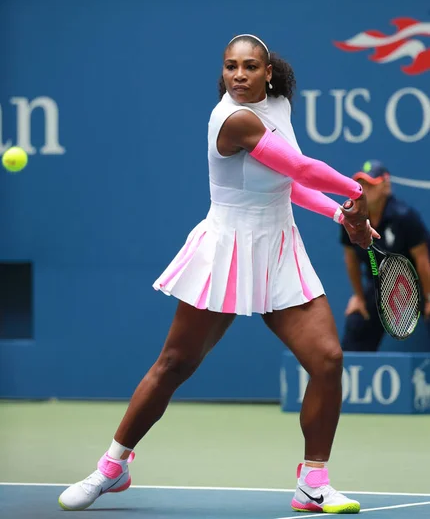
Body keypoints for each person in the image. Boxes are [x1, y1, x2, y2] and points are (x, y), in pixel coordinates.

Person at [58, 34, 376, 514]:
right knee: (175, 364)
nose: (240, 75)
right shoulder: (234, 119)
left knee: (328, 360)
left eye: (250, 66)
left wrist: (340, 216)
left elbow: (286, 184)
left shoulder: (278, 105)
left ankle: (313, 481)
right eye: (231, 67)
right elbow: (303, 168)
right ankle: (113, 465)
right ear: (223, 74)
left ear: (269, 72)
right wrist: (357, 193)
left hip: (280, 248)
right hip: (228, 248)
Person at [341, 160, 430, 352]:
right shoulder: (352, 218)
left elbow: (423, 260)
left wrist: (429, 298)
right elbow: (351, 258)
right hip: (381, 287)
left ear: (385, 186)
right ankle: (349, 378)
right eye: (361, 185)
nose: (364, 190)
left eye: (370, 185)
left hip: (420, 284)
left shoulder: (404, 216)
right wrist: (358, 297)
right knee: (357, 320)